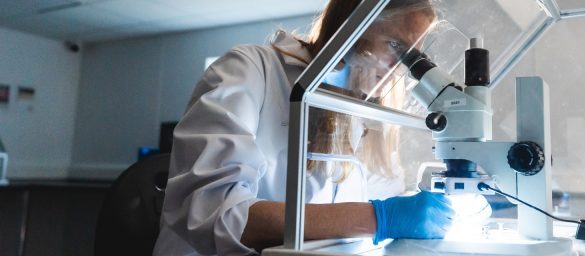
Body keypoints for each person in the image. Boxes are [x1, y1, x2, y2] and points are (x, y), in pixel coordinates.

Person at [153, 1, 455, 255]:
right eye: (395, 45)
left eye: (411, 55)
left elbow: (388, 190)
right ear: (354, 23)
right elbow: (216, 214)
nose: (397, 67)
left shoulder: (360, 111)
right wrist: (380, 218)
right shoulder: (250, 71)